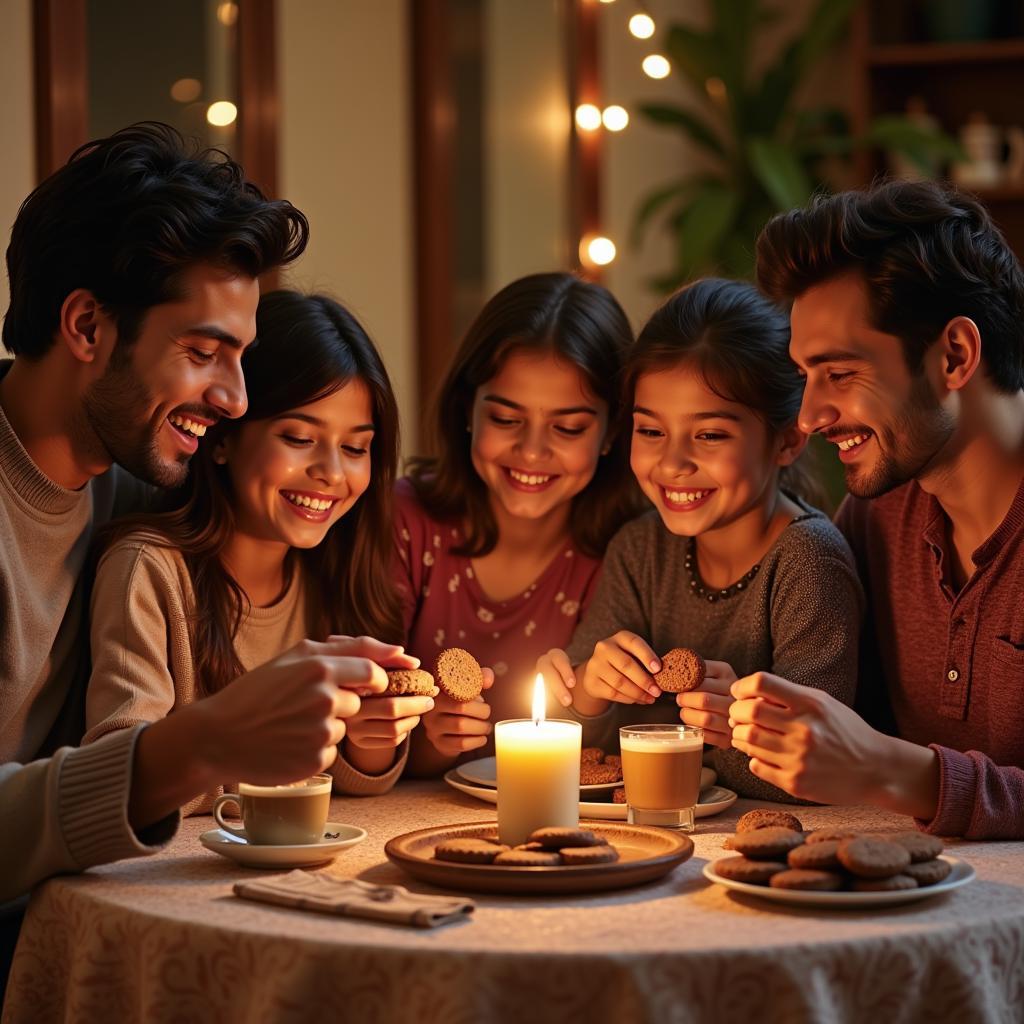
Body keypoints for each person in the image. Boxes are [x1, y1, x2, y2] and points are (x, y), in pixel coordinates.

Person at [0, 123, 385, 909]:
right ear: (85, 326)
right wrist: (203, 742)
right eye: (204, 352)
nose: (236, 400)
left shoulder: (143, 486)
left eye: (240, 357)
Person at [726, 180, 1024, 838]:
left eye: (838, 373)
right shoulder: (877, 516)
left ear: (954, 356)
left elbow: (870, 759)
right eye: (804, 377)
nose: (809, 416)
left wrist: (893, 771)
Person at [83, 291, 429, 811]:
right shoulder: (149, 569)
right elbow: (118, 775)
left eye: (356, 448)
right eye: (298, 438)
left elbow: (347, 781)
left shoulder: (337, 574)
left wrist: (367, 746)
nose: (333, 473)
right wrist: (246, 752)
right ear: (223, 438)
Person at [540, 278, 863, 800]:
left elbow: (815, 766)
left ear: (785, 441)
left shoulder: (809, 561)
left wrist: (732, 728)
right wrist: (593, 691)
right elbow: (575, 744)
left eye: (710, 435)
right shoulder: (640, 549)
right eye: (650, 432)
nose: (672, 463)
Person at [395, 272, 638, 775]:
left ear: (613, 430)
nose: (531, 451)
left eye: (568, 428)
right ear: (467, 410)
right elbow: (358, 740)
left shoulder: (630, 554)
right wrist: (432, 740)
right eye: (506, 420)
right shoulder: (405, 522)